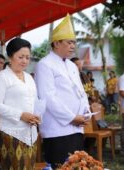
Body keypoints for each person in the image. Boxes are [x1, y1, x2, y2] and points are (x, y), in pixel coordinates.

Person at [35, 14, 90, 169]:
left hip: (77, 126)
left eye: (74, 42)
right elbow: (48, 97)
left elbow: (81, 91)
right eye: (69, 42)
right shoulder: (44, 64)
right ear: (57, 43)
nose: (73, 46)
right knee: (61, 166)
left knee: (78, 165)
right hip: (57, 129)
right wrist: (72, 117)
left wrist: (85, 112)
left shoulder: (72, 66)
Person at [0, 38, 40, 169]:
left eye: (28, 57)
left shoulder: (29, 77)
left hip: (31, 133)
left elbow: (33, 101)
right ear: (10, 56)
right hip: (11, 133)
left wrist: (37, 116)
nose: (25, 61)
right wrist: (20, 115)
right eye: (21, 57)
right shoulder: (2, 77)